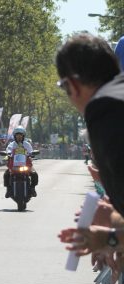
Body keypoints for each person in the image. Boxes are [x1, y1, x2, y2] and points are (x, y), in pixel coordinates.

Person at [56, 33, 124, 258]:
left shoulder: (106, 115)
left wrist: (107, 238)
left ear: (72, 85)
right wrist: (113, 216)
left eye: (65, 90)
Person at [3, 126, 38, 198]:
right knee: (6, 174)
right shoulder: (11, 144)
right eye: (17, 135)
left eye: (20, 135)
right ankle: (8, 189)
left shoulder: (27, 144)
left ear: (23, 136)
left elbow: (31, 152)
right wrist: (8, 154)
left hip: (26, 164)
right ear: (15, 136)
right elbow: (8, 151)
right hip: (14, 165)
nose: (19, 137)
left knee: (34, 174)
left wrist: (32, 154)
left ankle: (32, 188)